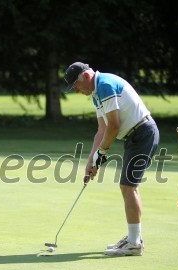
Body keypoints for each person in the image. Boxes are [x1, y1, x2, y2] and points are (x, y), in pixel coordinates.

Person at [64, 62, 159, 256]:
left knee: (128, 186)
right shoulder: (97, 94)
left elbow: (114, 126)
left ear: (87, 77)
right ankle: (134, 239)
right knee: (128, 186)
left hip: (143, 133)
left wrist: (102, 154)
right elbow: (102, 129)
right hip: (135, 136)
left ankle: (134, 244)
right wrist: (92, 159)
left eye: (76, 85)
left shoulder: (105, 85)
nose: (77, 90)